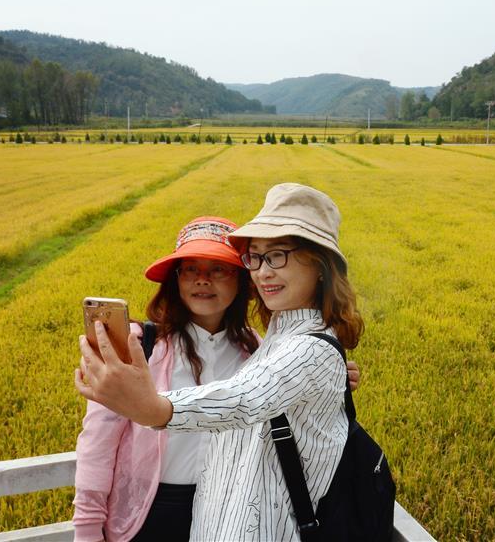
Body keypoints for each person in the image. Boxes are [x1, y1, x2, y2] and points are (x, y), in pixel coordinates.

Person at [76, 183, 364, 541]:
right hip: (149, 515)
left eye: (219, 269)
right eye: (190, 268)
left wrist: (155, 409)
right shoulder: (141, 346)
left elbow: (249, 396)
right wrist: (87, 529)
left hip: (218, 513)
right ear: (175, 279)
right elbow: (96, 444)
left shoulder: (259, 350)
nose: (202, 280)